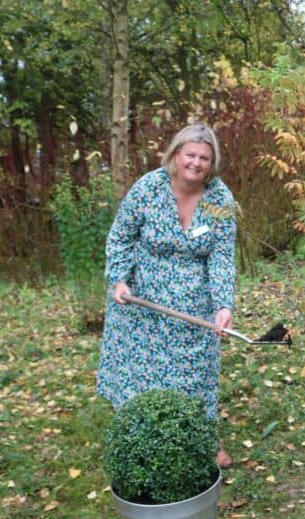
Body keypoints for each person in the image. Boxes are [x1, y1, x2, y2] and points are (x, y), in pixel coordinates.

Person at [97, 123, 237, 468]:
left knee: (196, 378)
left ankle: (203, 442)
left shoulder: (221, 200)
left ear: (212, 162)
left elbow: (222, 256)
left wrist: (222, 305)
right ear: (176, 156)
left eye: (204, 157)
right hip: (142, 304)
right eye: (190, 154)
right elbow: (121, 237)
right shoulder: (148, 189)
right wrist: (119, 280)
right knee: (143, 379)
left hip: (194, 309)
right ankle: (142, 443)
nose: (196, 163)